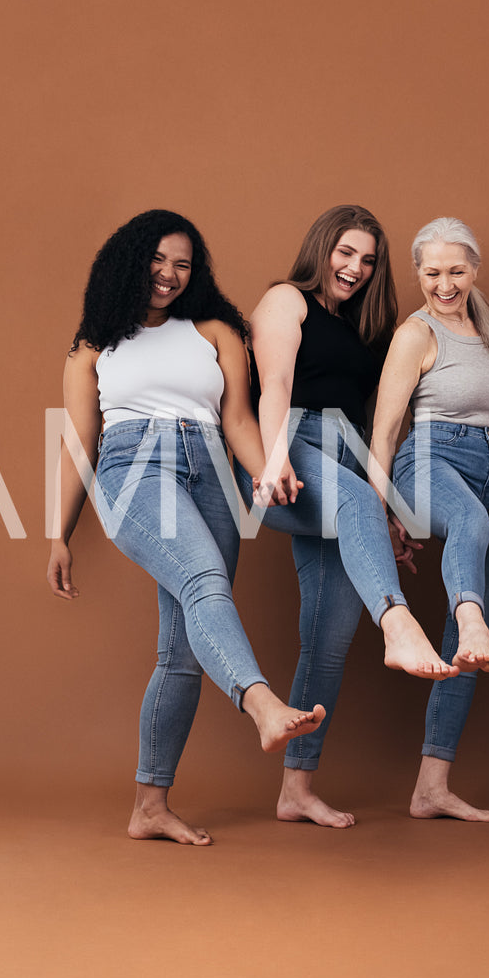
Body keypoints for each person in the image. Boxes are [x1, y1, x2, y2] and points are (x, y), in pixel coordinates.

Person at [47, 209, 324, 846]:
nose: (170, 275)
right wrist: (58, 533)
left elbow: (238, 421)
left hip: (211, 474)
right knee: (205, 580)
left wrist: (267, 473)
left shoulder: (217, 329)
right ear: (129, 259)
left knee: (181, 651)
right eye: (158, 260)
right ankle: (263, 705)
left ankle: (149, 805)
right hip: (133, 468)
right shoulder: (93, 343)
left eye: (183, 264)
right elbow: (79, 443)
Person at [248, 204, 457, 829]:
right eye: (345, 253)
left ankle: (296, 790)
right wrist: (275, 457)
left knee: (330, 638)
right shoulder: (286, 300)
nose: (355, 268)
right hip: (290, 447)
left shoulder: (361, 328)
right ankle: (397, 622)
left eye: (368, 260)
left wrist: (386, 510)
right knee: (350, 612)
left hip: (346, 458)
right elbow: (276, 383)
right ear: (321, 248)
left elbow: (366, 428)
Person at [369, 217, 489, 822]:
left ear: (475, 269)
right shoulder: (416, 333)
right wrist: (380, 510)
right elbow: (384, 429)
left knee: (464, 650)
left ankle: (431, 786)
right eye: (432, 273)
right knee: (467, 542)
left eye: (456, 271)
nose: (444, 284)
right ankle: (471, 616)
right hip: (428, 458)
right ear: (418, 274)